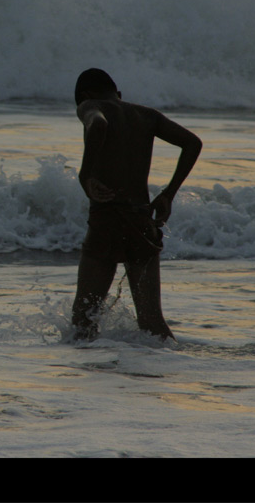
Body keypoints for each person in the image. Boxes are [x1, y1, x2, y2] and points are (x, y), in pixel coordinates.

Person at [70, 68, 201, 342]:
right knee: (152, 321)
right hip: (142, 220)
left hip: (108, 218)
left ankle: (86, 376)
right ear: (119, 94)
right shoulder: (147, 115)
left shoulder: (90, 105)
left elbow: (99, 124)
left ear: (84, 97)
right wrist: (168, 194)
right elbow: (192, 143)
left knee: (84, 318)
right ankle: (171, 369)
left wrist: (86, 174)